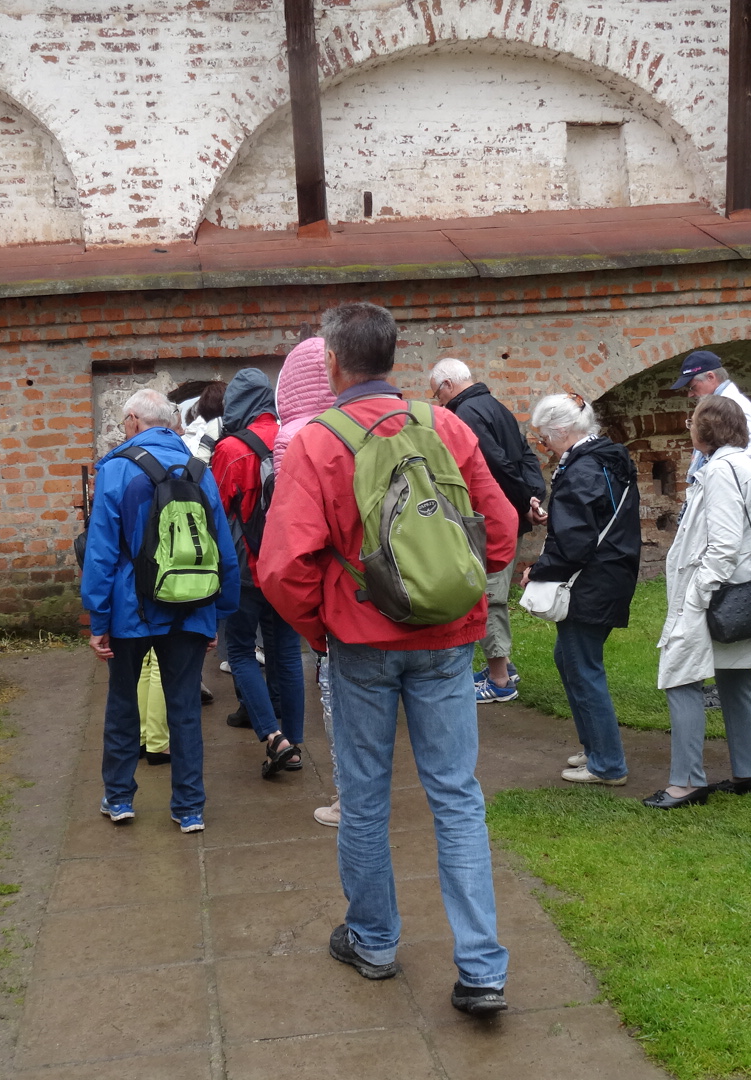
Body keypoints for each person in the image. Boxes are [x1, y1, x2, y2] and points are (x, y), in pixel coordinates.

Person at [259, 301, 518, 1016]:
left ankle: (373, 940)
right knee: (457, 796)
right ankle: (482, 968)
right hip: (447, 641)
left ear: (332, 363)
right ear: (393, 357)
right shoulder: (446, 426)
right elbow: (499, 532)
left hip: (361, 643)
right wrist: (453, 592)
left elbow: (282, 567)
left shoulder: (317, 443)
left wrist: (323, 628)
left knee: (365, 798)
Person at [81, 388, 242, 833]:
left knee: (122, 703)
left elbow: (100, 553)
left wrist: (98, 620)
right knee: (185, 708)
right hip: (190, 608)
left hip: (129, 610)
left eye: (124, 421)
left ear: (134, 420)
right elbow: (222, 550)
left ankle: (119, 798)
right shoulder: (198, 470)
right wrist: (216, 616)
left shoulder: (115, 469)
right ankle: (189, 808)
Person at [644, 395, 751, 810]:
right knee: (736, 679)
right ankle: (750, 773)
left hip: (716, 591)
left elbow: (722, 546)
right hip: (744, 590)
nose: (689, 427)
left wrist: (697, 597)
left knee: (680, 676)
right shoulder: (748, 467)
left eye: (693, 421)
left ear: (707, 429)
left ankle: (686, 782)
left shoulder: (721, 471)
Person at [519, 393, 640, 786]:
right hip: (611, 572)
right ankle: (596, 748)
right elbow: (589, 520)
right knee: (571, 660)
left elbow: (574, 542)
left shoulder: (581, 469)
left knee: (582, 668)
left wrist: (537, 571)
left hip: (590, 581)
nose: (544, 446)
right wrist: (555, 516)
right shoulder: (606, 458)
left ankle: (607, 763)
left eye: (544, 438)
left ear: (561, 431)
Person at [431, 358, 547, 703]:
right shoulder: (496, 406)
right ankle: (505, 666)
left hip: (493, 520)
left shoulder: (464, 413)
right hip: (513, 513)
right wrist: (533, 496)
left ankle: (500, 681)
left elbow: (496, 465)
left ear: (448, 385)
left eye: (437, 394)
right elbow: (526, 456)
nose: (439, 402)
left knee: (489, 596)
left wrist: (523, 502)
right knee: (493, 592)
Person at [210, 367, 305, 777]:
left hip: (246, 570)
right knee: (287, 652)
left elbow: (215, 513)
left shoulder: (230, 449)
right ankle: (294, 742)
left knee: (241, 651)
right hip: (287, 567)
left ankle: (273, 736)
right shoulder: (294, 438)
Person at [273, 336, 345, 827]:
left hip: (342, 605)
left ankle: (349, 800)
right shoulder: (413, 421)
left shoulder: (295, 439)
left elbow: (291, 549)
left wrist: (312, 624)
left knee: (344, 707)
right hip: (416, 597)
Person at [674, 349, 751, 532]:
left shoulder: (733, 406)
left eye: (692, 387)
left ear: (711, 377)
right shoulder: (720, 405)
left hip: (737, 513)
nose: (690, 394)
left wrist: (720, 479)